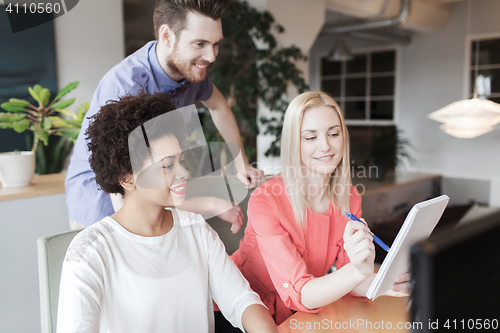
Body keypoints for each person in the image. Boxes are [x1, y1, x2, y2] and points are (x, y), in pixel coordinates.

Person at [57, 92, 278, 333]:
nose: (184, 172)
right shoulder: (91, 251)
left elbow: (241, 301)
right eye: (168, 165)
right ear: (127, 178)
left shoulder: (196, 229)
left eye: (181, 161)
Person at [65, 0, 264, 228]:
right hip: (105, 199)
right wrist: (210, 203)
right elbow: (129, 190)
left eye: (215, 44)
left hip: (155, 193)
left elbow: (218, 106)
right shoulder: (126, 87)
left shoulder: (188, 71)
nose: (211, 56)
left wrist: (242, 165)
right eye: (200, 44)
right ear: (167, 36)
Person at [229, 91, 410, 324]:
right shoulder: (266, 200)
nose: (325, 146)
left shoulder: (349, 197)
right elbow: (301, 293)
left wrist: (387, 282)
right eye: (310, 137)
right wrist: (356, 272)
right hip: (241, 310)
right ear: (294, 143)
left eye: (333, 134)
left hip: (302, 314)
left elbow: (352, 276)